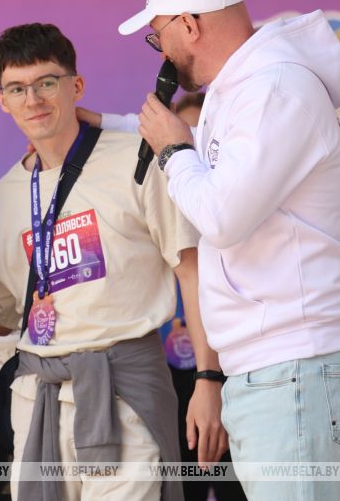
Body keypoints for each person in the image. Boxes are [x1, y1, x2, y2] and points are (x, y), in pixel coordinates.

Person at [120, 0, 340, 499]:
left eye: (158, 35)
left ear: (189, 24)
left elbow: (221, 215)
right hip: (280, 371)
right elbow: (212, 160)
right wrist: (105, 126)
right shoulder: (244, 89)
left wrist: (172, 151)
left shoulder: (273, 89)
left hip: (295, 367)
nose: (160, 51)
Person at [0, 23, 226, 501]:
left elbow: (191, 270)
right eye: (17, 88)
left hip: (124, 391)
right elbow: (3, 313)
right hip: (38, 399)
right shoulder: (9, 192)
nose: (33, 99)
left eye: (47, 82)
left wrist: (208, 378)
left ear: (76, 86)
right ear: (3, 101)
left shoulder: (136, 160)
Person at [78, 92, 246, 501]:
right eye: (178, 144)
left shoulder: (237, 221)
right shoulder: (150, 212)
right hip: (169, 380)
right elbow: (138, 131)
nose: (189, 158)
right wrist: (98, 120)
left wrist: (212, 379)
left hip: (231, 375)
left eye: (198, 145)